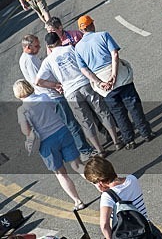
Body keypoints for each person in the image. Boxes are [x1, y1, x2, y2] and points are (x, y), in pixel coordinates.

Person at [36, 32, 121, 155]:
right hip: (85, 83)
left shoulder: (48, 61)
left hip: (70, 91)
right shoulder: (70, 48)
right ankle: (116, 141)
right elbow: (83, 63)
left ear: (48, 46)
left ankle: (100, 150)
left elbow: (38, 81)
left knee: (85, 121)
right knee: (102, 111)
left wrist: (55, 85)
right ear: (60, 40)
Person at [75, 15, 153, 148]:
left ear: (82, 30)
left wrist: (99, 82)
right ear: (91, 25)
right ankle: (146, 133)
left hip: (103, 84)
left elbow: (84, 70)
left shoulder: (78, 48)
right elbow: (115, 55)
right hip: (121, 77)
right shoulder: (103, 35)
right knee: (134, 106)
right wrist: (114, 75)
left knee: (118, 113)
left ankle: (129, 140)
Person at [14, 79, 87, 211]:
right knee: (77, 165)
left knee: (61, 173)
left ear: (18, 94)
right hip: (62, 132)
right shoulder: (44, 97)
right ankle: (99, 185)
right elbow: (54, 109)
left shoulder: (22, 110)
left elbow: (26, 131)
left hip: (46, 142)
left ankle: (78, 201)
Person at [19, 34, 94, 158]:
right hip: (52, 95)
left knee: (69, 121)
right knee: (71, 123)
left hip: (50, 95)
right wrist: (55, 85)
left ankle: (83, 147)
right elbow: (37, 81)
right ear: (28, 47)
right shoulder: (30, 60)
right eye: (36, 46)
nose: (39, 48)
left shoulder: (26, 58)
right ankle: (85, 150)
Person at [84, 156, 162, 239]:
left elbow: (104, 226)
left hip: (128, 235)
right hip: (148, 230)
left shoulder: (107, 197)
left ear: (99, 181)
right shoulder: (132, 179)